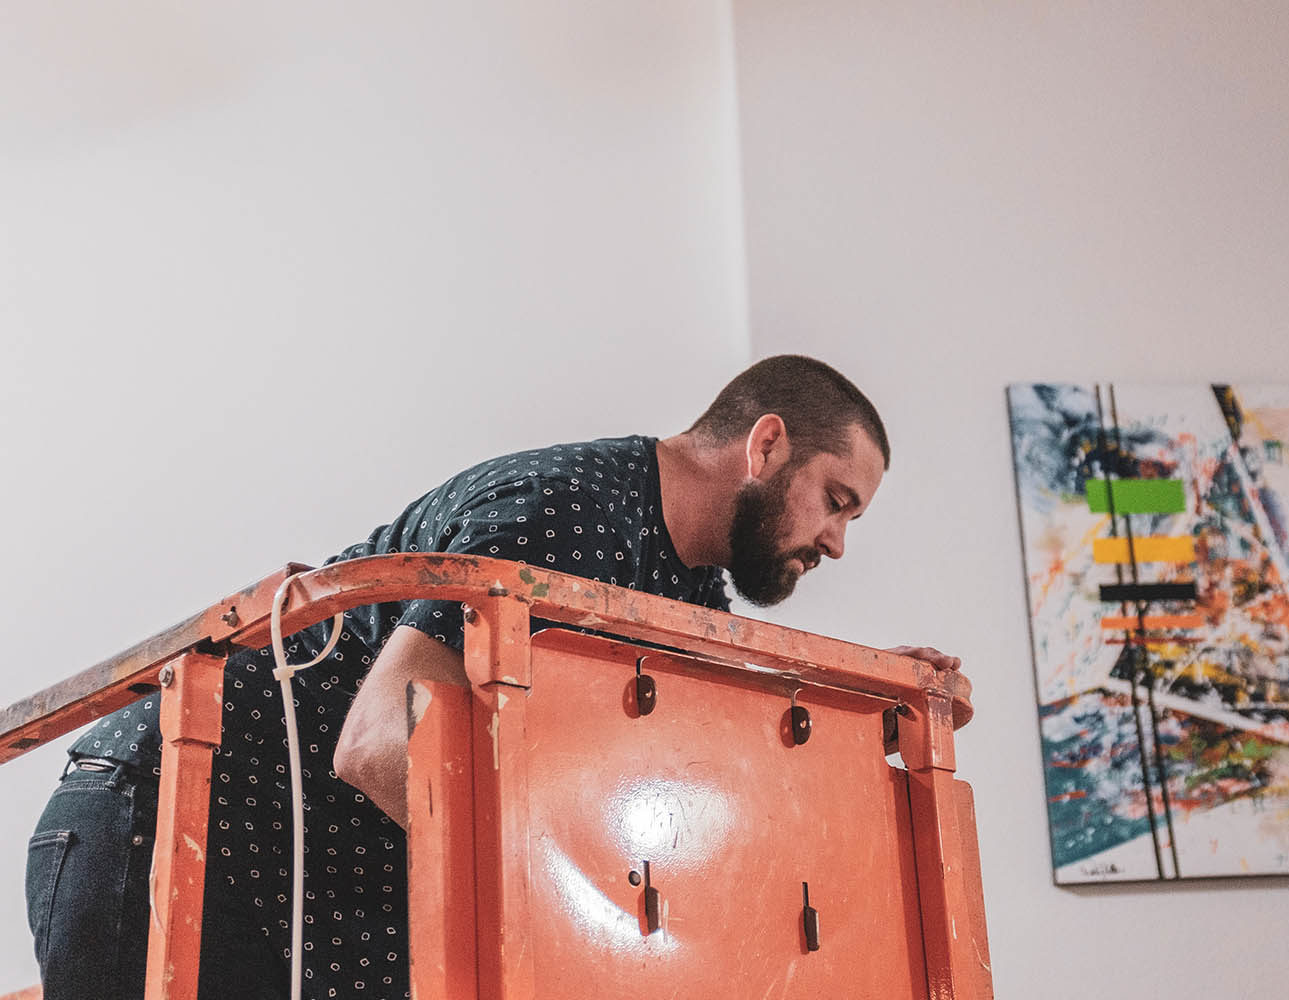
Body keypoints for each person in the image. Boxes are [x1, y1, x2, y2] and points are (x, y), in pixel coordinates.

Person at [22, 354, 958, 999]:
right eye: (835, 500)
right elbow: (384, 743)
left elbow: (704, 800)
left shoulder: (692, 603)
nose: (836, 540)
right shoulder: (566, 510)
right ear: (766, 445)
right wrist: (579, 905)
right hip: (176, 822)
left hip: (320, 887)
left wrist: (882, 701)